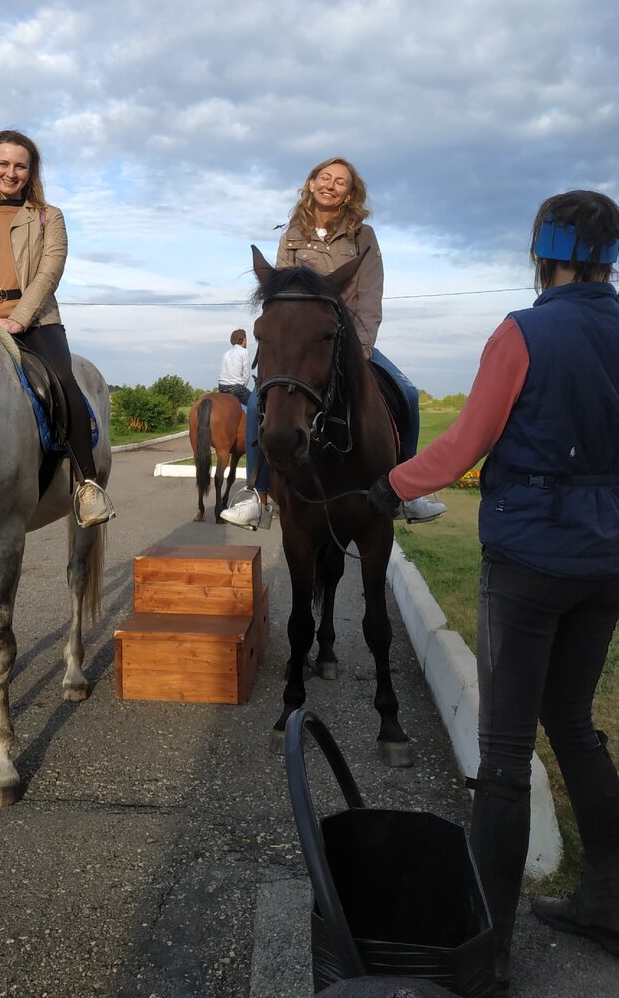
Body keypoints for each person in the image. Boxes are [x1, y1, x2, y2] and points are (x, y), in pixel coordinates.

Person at [367, 190, 619, 992]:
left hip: (528, 560)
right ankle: (608, 903)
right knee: (575, 724)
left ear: (538, 252)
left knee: (506, 757)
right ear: (611, 259)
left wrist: (387, 488)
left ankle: (489, 952)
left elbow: (466, 442)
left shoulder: (523, 331)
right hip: (607, 560)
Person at [221, 156, 447, 529]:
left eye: (340, 181)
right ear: (311, 184)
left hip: (350, 338)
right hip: (302, 344)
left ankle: (409, 490)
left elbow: (371, 291)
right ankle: (257, 493)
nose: (330, 184)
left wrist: (363, 341)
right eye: (324, 177)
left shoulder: (363, 236)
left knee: (407, 393)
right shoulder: (290, 236)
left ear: (349, 193)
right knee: (258, 401)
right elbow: (277, 294)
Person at [0, 129, 114, 528]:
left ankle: (87, 482)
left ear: (31, 170)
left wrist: (19, 318)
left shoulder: (48, 217)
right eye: (3, 163)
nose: (11, 172)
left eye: (20, 165)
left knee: (63, 379)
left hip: (38, 320)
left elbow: (49, 271)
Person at [217, 329, 251, 406]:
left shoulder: (226, 353)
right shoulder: (244, 351)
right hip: (236, 388)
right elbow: (246, 375)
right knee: (256, 403)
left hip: (222, 387)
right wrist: (243, 387)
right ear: (243, 340)